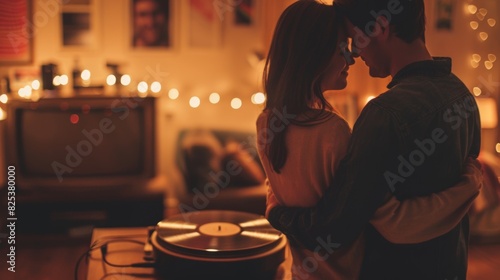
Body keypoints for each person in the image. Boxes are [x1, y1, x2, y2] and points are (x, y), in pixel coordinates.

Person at [265, 0, 482, 279]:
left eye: (354, 39)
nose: (354, 53)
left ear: (380, 27)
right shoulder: (463, 96)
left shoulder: (385, 115)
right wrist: (467, 188)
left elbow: (333, 229)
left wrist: (276, 213)